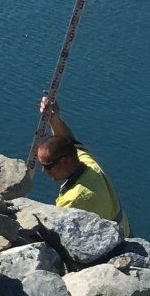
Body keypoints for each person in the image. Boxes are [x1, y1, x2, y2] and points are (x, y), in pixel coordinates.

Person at [34, 94, 129, 232]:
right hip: (124, 231)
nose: (44, 171)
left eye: (47, 166)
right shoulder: (89, 164)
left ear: (64, 161)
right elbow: (68, 141)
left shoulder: (74, 200)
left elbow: (54, 230)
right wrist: (54, 120)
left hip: (111, 247)